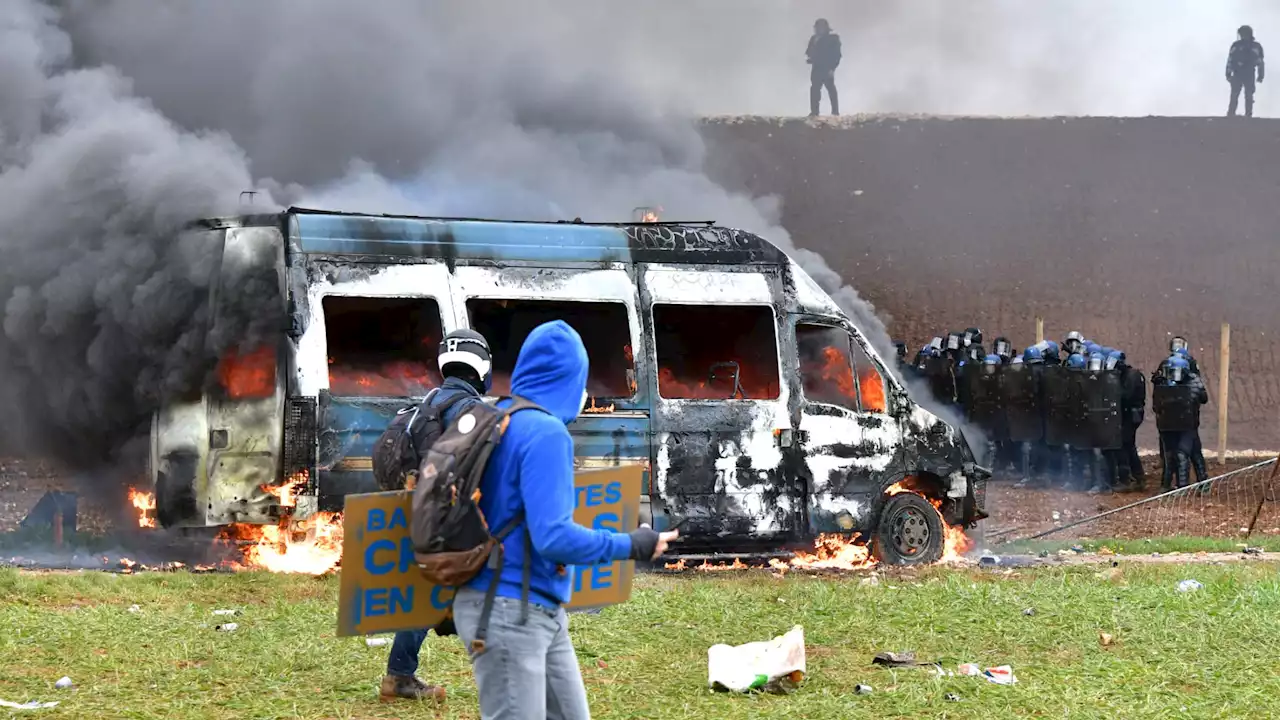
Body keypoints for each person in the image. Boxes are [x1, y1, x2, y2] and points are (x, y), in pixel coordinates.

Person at [452, 320, 677, 720]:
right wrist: (632, 544)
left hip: (536, 607)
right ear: (570, 379)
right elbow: (553, 537)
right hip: (508, 610)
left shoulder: (499, 415)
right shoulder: (546, 433)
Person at [381, 328, 494, 703]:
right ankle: (400, 677)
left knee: (434, 591)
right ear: (482, 368)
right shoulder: (472, 410)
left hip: (422, 514)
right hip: (455, 520)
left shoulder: (424, 405)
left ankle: (399, 676)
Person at [1153, 355, 1209, 490]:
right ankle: (1167, 485)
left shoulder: (1193, 381)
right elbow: (1157, 406)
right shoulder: (1163, 383)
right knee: (1171, 456)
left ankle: (1186, 486)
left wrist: (1192, 390)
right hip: (1170, 424)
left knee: (1186, 454)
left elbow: (1203, 398)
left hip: (1188, 424)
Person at [1114, 351, 1147, 490]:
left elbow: (1126, 396)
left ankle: (1126, 479)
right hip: (1131, 415)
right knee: (1129, 446)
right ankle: (1138, 478)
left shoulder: (1131, 376)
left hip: (1131, 415)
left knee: (1123, 445)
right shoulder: (1130, 374)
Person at [1227, 25, 1265, 118]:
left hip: (1248, 73)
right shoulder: (1237, 45)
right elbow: (1230, 59)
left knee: (1248, 95)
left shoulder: (1255, 46)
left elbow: (1260, 61)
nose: (1242, 36)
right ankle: (1231, 114)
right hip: (1238, 73)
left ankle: (1248, 114)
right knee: (1235, 94)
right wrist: (1228, 73)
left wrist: (1261, 74)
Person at [806, 18, 842, 117]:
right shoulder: (814, 39)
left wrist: (832, 68)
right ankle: (814, 112)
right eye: (817, 27)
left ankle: (835, 112)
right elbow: (808, 51)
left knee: (830, 89)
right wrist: (811, 58)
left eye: (820, 27)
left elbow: (837, 55)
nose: (818, 29)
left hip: (827, 68)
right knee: (815, 90)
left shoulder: (833, 39)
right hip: (816, 68)